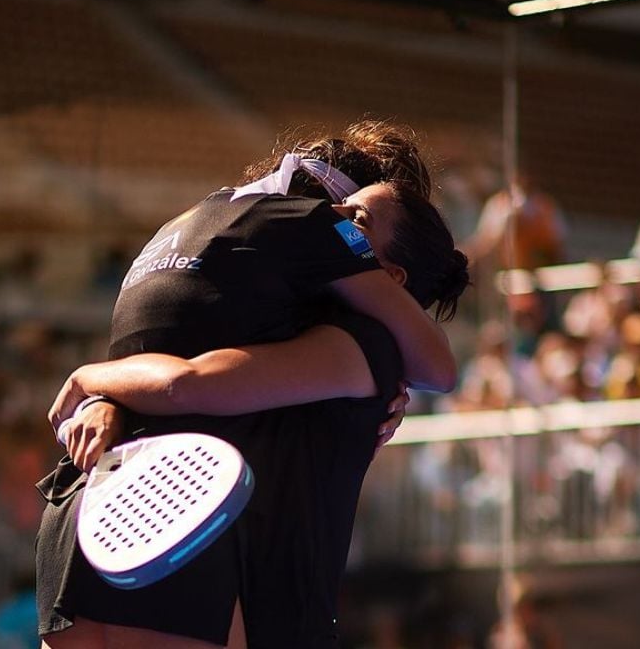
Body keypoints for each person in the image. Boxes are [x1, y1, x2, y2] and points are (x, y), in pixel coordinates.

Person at [36, 120, 469, 648]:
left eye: (355, 221)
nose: (328, 221)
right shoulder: (296, 328)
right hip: (164, 526)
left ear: (392, 278)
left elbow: (185, 381)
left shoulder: (362, 347)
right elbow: (183, 380)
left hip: (104, 516)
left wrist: (96, 384)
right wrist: (101, 392)